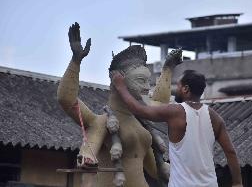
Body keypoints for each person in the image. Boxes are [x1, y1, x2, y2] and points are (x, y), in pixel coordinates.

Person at [57, 22, 182, 187]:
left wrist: (168, 68)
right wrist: (76, 61)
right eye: (140, 81)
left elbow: (156, 170)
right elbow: (67, 100)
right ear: (118, 79)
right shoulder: (101, 123)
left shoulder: (141, 126)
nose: (146, 87)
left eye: (147, 82)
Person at [112, 69, 243, 187]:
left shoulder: (175, 112)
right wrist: (237, 183)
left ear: (185, 89)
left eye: (178, 85)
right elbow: (230, 152)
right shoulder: (215, 118)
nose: (176, 88)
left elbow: (140, 110)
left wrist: (121, 87)